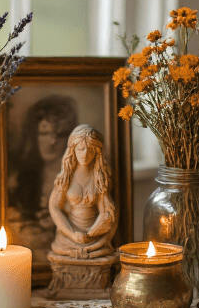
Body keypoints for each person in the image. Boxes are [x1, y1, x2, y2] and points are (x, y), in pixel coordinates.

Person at [7, 95, 78, 263]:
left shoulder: (81, 178)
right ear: (34, 136)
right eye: (44, 133)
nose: (52, 142)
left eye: (59, 135)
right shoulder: (23, 179)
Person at [49, 124, 118, 259]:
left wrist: (94, 232)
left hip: (95, 237)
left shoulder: (100, 178)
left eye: (90, 150)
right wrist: (72, 234)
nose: (85, 154)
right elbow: (55, 207)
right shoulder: (66, 177)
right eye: (80, 149)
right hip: (68, 237)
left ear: (97, 152)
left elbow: (105, 211)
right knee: (66, 252)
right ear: (73, 150)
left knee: (99, 253)